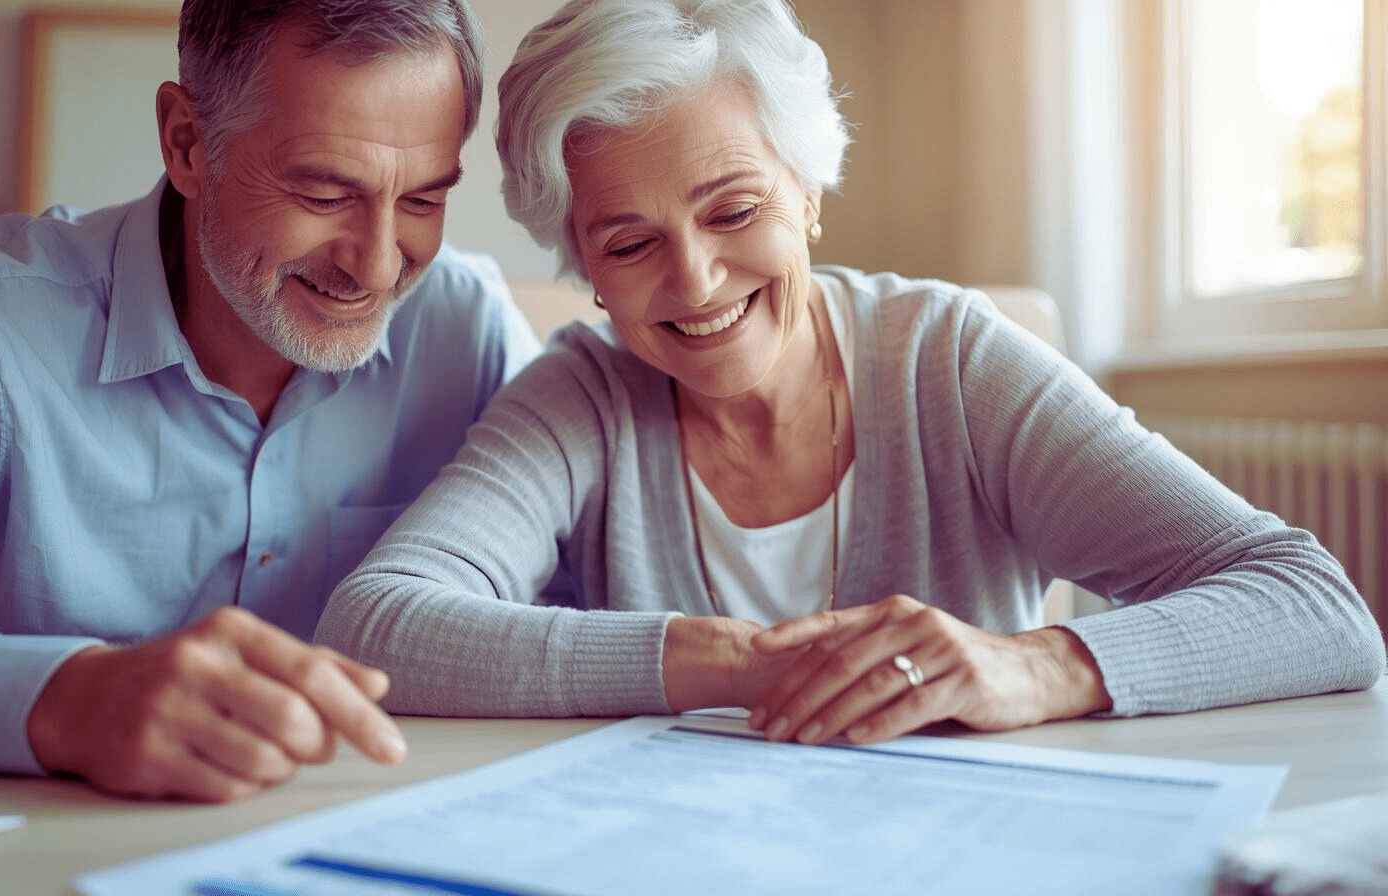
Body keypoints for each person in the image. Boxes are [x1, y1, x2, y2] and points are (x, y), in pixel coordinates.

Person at [318, 0, 1384, 745]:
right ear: (584, 267)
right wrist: (738, 660)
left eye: (734, 210)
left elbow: (1314, 605)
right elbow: (377, 624)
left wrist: (1032, 663)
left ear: (808, 192)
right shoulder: (581, 394)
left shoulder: (949, 359)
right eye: (629, 243)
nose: (695, 280)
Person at [0, 0, 540, 802]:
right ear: (187, 143)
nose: (379, 267)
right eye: (324, 195)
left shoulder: (467, 329)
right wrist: (63, 699)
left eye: (423, 200)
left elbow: (583, 598)